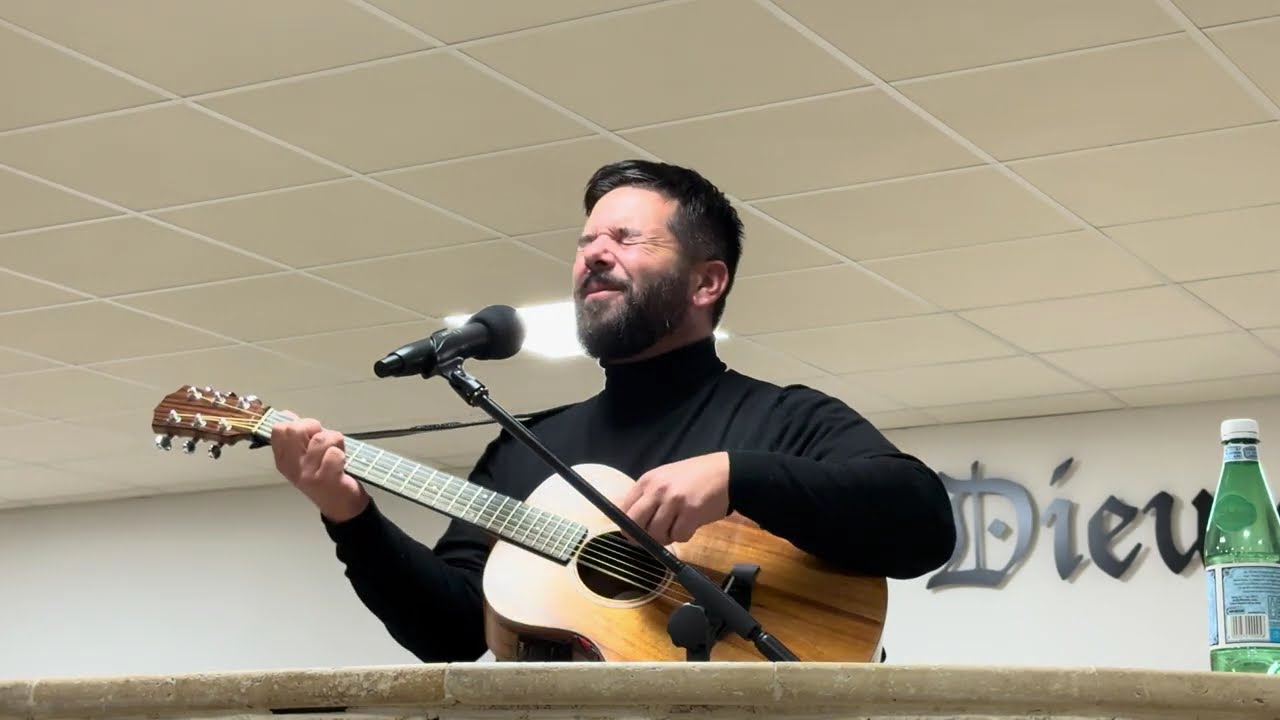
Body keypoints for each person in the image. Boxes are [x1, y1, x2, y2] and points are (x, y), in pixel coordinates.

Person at [270, 159, 957, 663]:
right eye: (585, 243)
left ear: (706, 282)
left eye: (626, 239)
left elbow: (922, 522)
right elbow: (445, 631)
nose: (593, 256)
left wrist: (737, 476)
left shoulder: (783, 419)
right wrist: (349, 515)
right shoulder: (528, 448)